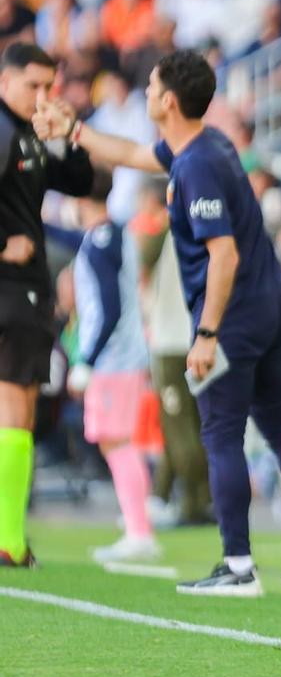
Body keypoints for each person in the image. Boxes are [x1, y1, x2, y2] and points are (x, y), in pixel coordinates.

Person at [34, 50, 281, 598]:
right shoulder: (205, 145)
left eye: (152, 85)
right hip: (269, 303)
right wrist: (76, 130)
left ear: (169, 100)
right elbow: (133, 153)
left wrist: (206, 334)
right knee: (276, 423)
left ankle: (239, 567)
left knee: (220, 433)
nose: (147, 94)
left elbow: (222, 255)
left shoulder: (197, 164)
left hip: (238, 313)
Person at [0, 43, 94, 568]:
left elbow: (83, 182)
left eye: (49, 87)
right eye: (33, 86)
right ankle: (8, 540)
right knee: (15, 406)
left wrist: (70, 134)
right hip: (13, 289)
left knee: (21, 408)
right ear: (5, 81)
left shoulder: (29, 134)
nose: (42, 96)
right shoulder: (4, 133)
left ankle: (10, 533)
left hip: (23, 289)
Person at [69, 168, 159, 563]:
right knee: (119, 442)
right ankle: (136, 522)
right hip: (128, 353)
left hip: (113, 358)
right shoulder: (116, 234)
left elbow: (109, 307)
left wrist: (87, 360)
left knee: (118, 442)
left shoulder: (100, 242)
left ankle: (139, 529)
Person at [135, 184, 211, 526]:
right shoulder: (212, 238)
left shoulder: (164, 233)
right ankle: (166, 496)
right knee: (188, 423)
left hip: (170, 342)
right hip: (202, 339)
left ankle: (199, 502)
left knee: (180, 429)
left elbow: (140, 260)